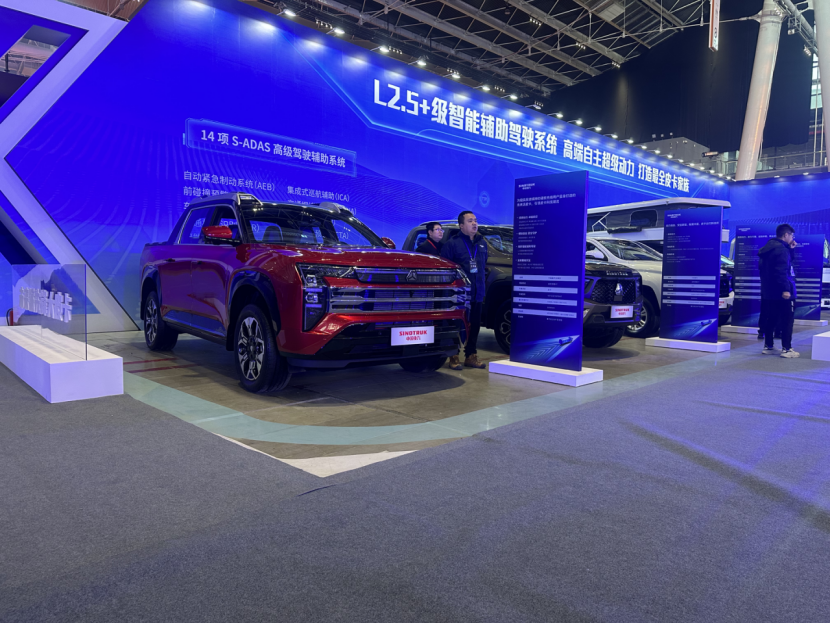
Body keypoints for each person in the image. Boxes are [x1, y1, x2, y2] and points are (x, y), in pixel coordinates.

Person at [441, 211, 488, 369]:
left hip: (477, 292)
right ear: (461, 225)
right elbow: (446, 270)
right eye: (470, 221)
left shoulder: (482, 243)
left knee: (475, 325)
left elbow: (483, 265)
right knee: (456, 324)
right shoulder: (452, 244)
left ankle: (471, 355)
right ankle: (453, 355)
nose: (474, 223)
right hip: (459, 295)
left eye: (475, 220)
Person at [758, 224, 799, 358]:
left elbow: (782, 265)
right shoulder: (781, 250)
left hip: (770, 291)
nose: (792, 238)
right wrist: (786, 289)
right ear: (786, 235)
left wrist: (790, 250)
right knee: (787, 320)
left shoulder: (768, 249)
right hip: (783, 292)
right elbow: (782, 271)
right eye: (791, 235)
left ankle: (768, 346)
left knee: (772, 318)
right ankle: (787, 349)